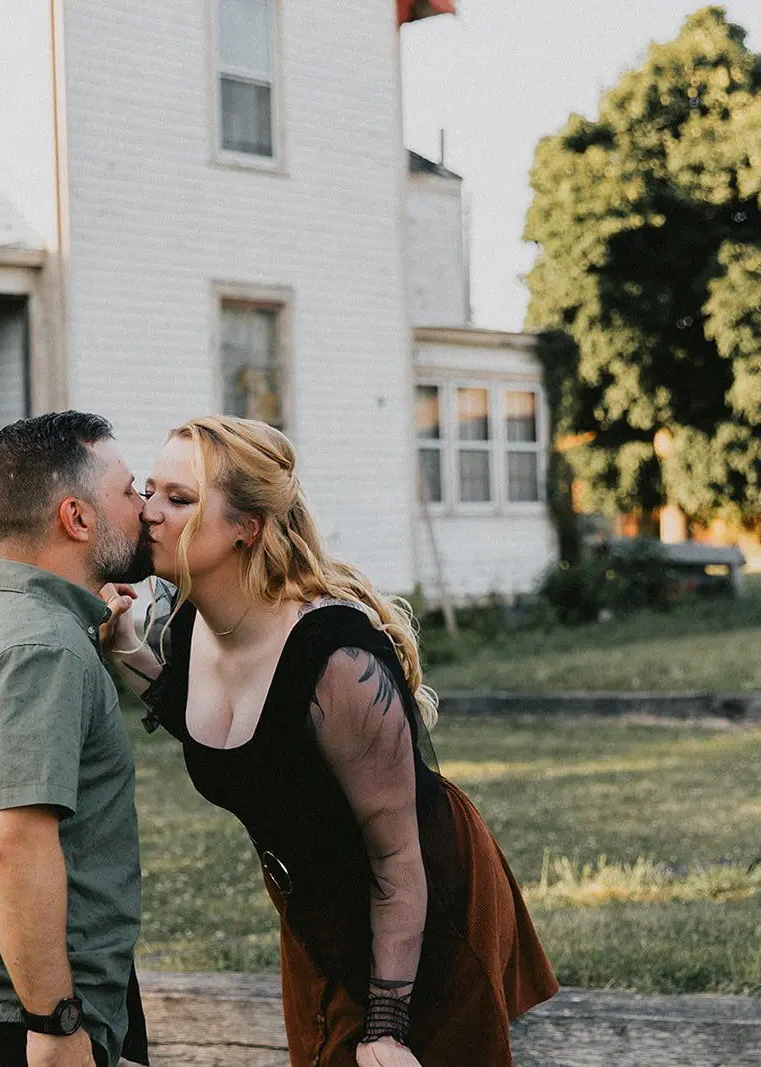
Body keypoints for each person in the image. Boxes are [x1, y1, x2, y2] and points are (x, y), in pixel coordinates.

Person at [102, 415, 557, 1067]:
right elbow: (225, 731)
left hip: (422, 896)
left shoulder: (333, 660)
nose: (149, 512)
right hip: (314, 900)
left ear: (245, 528)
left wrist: (387, 1026)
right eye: (151, 490)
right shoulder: (190, 623)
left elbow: (398, 857)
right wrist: (126, 650)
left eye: (180, 499)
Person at [0, 411, 155, 1067]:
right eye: (129, 491)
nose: (144, 506)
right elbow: (14, 845)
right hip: (19, 1026)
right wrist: (56, 1024)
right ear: (76, 517)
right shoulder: (41, 648)